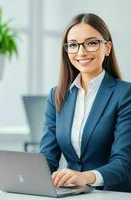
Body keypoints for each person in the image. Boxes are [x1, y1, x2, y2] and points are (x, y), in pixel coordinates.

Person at [40, 13, 131, 192]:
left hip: (113, 194)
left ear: (107, 48)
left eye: (91, 43)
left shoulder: (125, 94)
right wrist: (31, 179)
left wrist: (85, 177)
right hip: (73, 194)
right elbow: (47, 159)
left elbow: (123, 162)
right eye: (73, 45)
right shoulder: (56, 95)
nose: (81, 52)